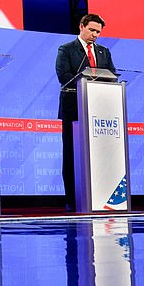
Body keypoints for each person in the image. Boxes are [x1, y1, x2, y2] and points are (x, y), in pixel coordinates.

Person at [55, 14, 116, 211]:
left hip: (98, 109)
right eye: (91, 30)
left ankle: (98, 196)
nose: (95, 35)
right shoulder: (66, 49)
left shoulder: (103, 52)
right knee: (71, 154)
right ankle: (72, 199)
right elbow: (63, 76)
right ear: (81, 26)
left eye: (98, 32)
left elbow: (112, 76)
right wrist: (86, 80)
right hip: (73, 107)